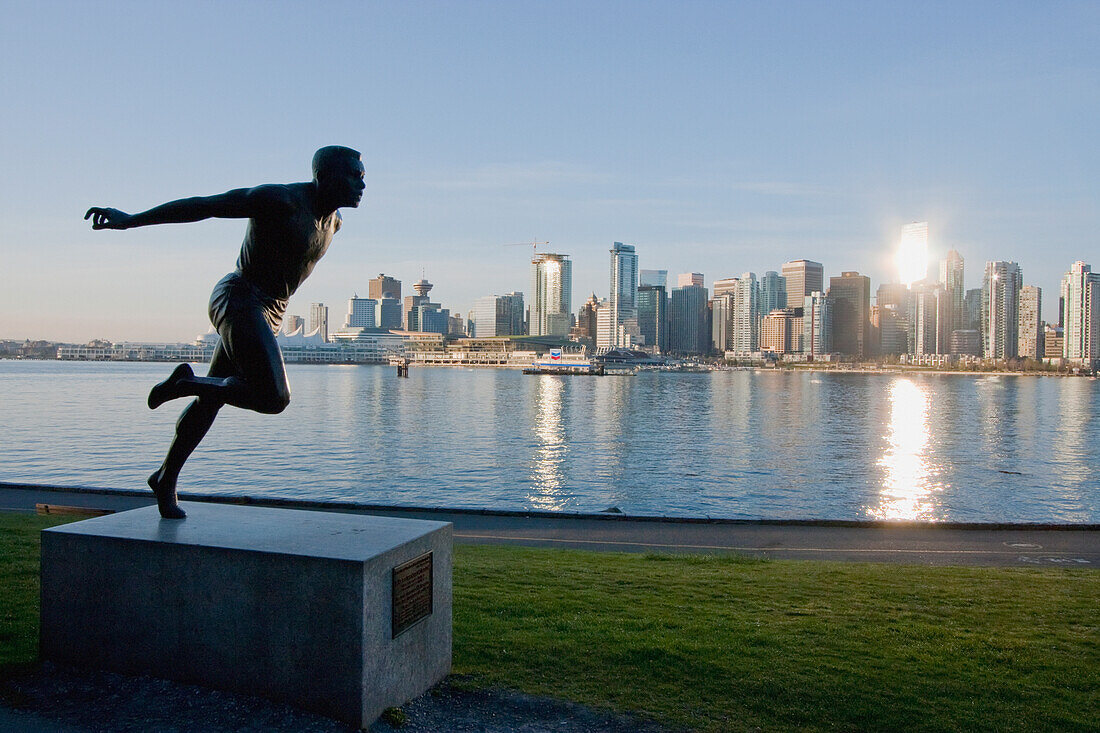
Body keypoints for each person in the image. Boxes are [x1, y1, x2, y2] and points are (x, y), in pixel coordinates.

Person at [85, 146, 365, 519]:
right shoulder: (279, 200)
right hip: (238, 298)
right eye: (354, 175)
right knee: (274, 397)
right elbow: (205, 205)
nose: (363, 183)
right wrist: (130, 219)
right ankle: (186, 384)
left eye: (363, 175)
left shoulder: (335, 223)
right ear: (325, 176)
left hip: (270, 313)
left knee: (212, 400)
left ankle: (165, 477)